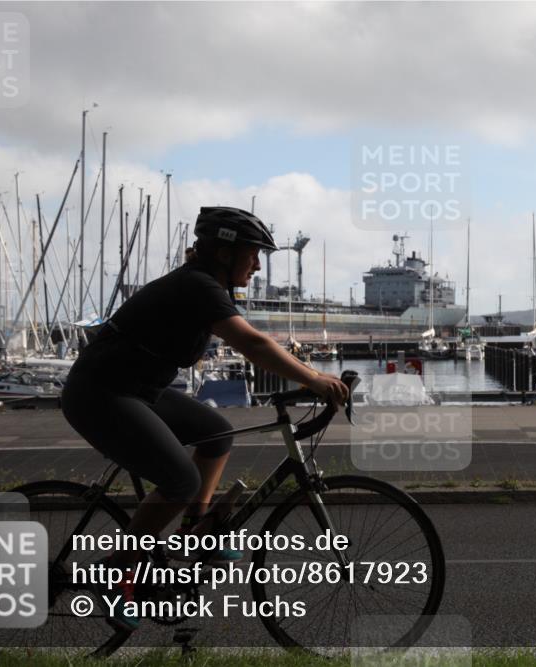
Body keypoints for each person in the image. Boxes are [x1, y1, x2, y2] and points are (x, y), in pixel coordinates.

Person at [60, 206, 348, 630]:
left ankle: (197, 529)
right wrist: (314, 378)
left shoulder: (209, 286)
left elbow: (251, 344)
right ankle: (115, 571)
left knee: (216, 432)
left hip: (139, 391)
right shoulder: (198, 286)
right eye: (253, 253)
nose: (257, 263)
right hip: (100, 394)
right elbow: (252, 342)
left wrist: (306, 379)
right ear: (224, 253)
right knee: (180, 480)